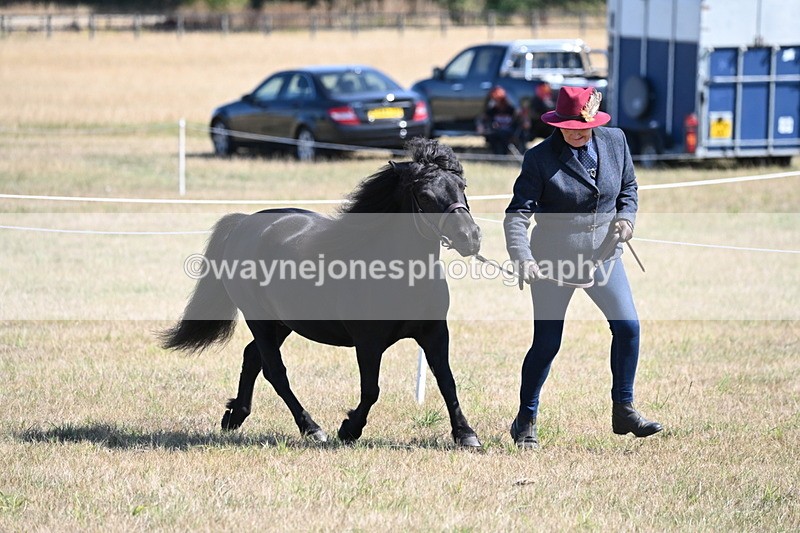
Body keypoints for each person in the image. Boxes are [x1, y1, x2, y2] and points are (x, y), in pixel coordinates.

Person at [503, 86, 662, 449]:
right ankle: (525, 420)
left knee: (628, 328)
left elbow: (629, 188)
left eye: (584, 125)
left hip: (605, 257)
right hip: (553, 264)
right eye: (571, 125)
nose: (578, 131)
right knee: (547, 343)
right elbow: (517, 216)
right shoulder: (539, 159)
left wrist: (626, 219)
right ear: (557, 122)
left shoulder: (615, 141)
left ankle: (624, 409)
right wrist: (523, 258)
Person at [476, 86, 524, 155]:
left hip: (509, 132)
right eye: (495, 100)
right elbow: (481, 118)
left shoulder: (511, 110)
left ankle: (504, 155)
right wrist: (480, 125)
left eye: (499, 100)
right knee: (493, 135)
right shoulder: (492, 110)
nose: (497, 102)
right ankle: (497, 154)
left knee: (504, 135)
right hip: (496, 131)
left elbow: (519, 120)